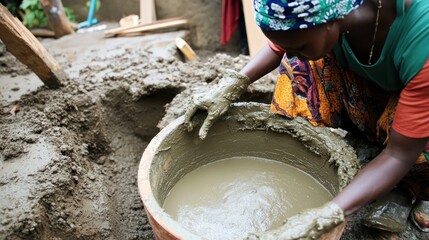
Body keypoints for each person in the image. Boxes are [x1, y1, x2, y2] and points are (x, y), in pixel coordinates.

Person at [184, 0, 429, 238]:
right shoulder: (330, 15)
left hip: (420, 103)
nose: (289, 53)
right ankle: (369, 139)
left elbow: (400, 154)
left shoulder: (421, 34)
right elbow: (280, 45)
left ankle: (411, 187)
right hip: (386, 82)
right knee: (299, 66)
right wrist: (234, 83)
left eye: (299, 45)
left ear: (332, 21)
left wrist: (328, 213)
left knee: (415, 151)